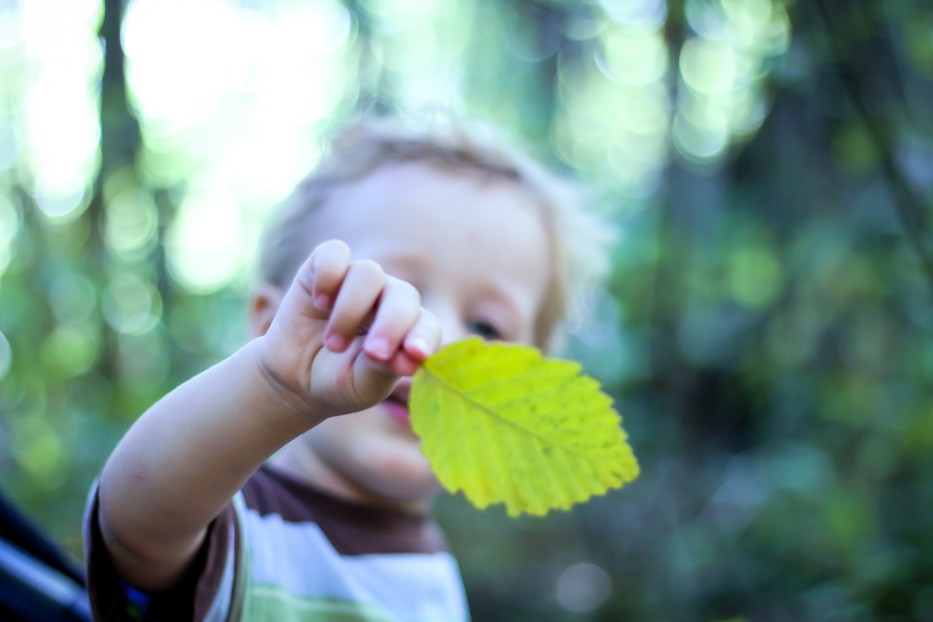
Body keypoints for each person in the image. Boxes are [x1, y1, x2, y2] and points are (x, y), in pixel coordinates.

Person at [83, 115, 609, 621]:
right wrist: (274, 386)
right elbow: (134, 522)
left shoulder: (431, 575)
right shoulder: (236, 523)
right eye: (387, 293)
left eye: (488, 328)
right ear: (273, 328)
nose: (438, 340)